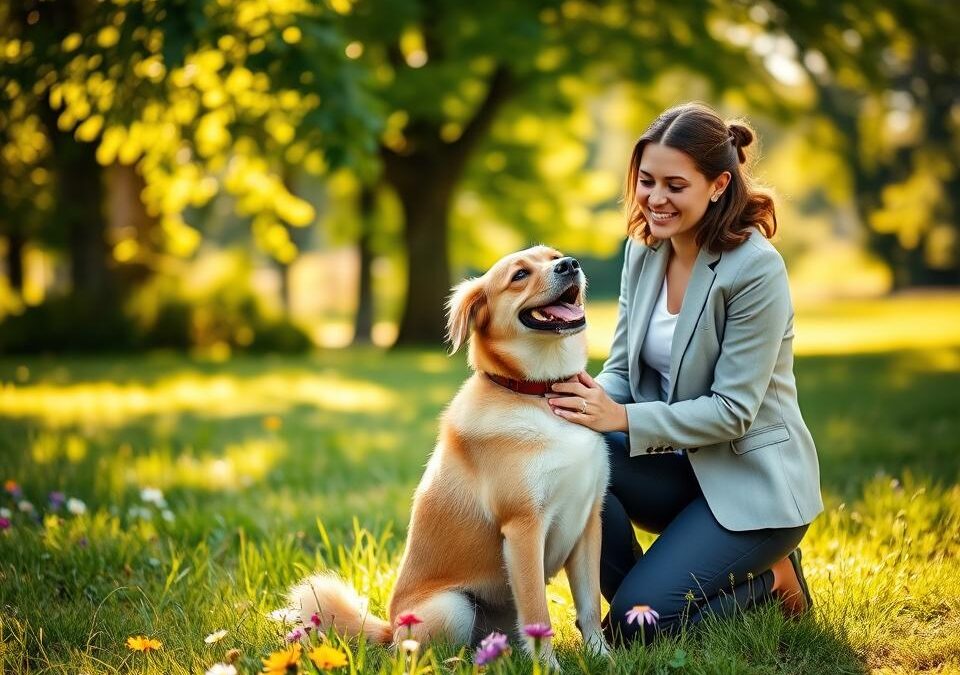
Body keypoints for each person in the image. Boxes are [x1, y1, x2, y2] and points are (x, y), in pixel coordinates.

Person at [546, 102, 823, 644]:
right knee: (566, 455)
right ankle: (644, 603)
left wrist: (620, 417)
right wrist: (574, 407)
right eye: (646, 181)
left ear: (719, 184)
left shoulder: (755, 269)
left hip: (752, 490)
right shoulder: (643, 250)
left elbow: (734, 411)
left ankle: (771, 579)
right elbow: (622, 368)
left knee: (633, 632)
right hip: (682, 472)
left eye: (675, 185)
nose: (655, 199)